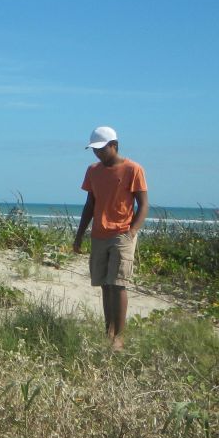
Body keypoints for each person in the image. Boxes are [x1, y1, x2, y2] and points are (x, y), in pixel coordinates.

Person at [72, 126, 149, 351]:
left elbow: (143, 205)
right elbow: (90, 205)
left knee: (118, 284)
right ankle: (109, 331)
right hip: (99, 234)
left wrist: (132, 231)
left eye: (101, 149)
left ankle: (120, 337)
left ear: (113, 145)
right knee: (105, 285)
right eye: (94, 150)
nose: (97, 154)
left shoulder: (133, 169)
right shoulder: (93, 171)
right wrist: (79, 236)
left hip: (122, 234)